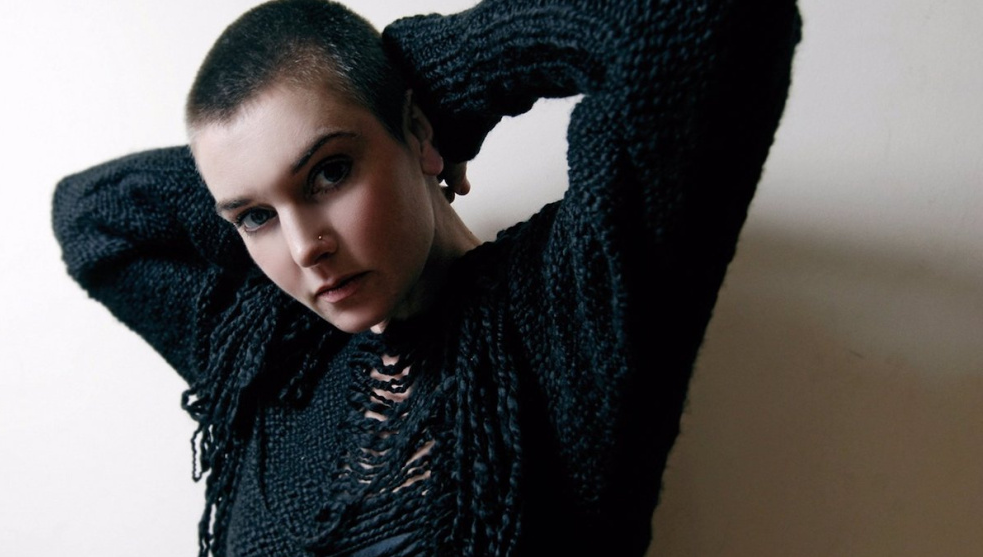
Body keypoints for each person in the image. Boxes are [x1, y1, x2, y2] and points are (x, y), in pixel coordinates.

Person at [52, 0, 801, 555]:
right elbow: (90, 220)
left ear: (417, 134)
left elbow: (707, 20)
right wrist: (253, 153)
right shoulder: (269, 356)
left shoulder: (569, 309)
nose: (305, 247)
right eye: (255, 216)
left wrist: (437, 75)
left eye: (329, 171)